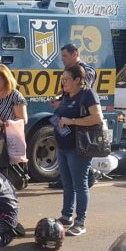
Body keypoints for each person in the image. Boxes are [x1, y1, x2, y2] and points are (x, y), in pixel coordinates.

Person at [52, 64, 104, 236]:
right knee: (67, 183)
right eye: (62, 80)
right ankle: (66, 216)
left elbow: (97, 118)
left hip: (78, 148)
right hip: (63, 146)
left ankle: (80, 221)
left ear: (77, 79)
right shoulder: (67, 95)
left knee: (80, 185)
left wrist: (72, 121)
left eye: (66, 80)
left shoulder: (88, 94)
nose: (63, 83)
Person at [48, 44, 97, 189]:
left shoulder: (86, 70)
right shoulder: (67, 71)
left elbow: (81, 91)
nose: (62, 59)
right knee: (63, 148)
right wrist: (59, 100)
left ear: (75, 53)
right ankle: (64, 178)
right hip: (66, 115)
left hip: (79, 119)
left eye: (65, 56)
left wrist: (64, 104)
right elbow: (67, 93)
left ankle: (89, 175)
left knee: (78, 153)